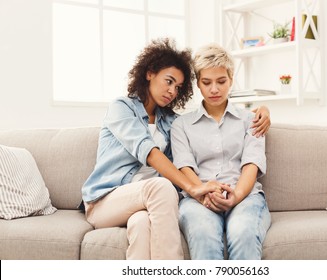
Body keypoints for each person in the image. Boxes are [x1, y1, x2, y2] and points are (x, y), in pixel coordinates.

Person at [81, 38, 271, 260]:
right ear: (150, 73)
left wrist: (264, 109)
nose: (172, 91)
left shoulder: (171, 121)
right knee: (163, 188)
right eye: (168, 81)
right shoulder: (121, 108)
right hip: (107, 198)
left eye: (178, 87)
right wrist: (194, 188)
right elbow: (149, 152)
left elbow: (199, 134)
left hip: (142, 204)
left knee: (142, 226)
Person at [171, 43, 271, 260]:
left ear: (231, 79)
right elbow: (184, 166)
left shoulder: (251, 120)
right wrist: (203, 192)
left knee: (243, 232)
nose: (214, 89)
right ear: (198, 83)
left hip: (246, 197)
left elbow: (251, 165)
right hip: (199, 199)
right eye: (206, 82)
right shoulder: (181, 125)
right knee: (203, 234)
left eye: (221, 81)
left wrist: (235, 197)